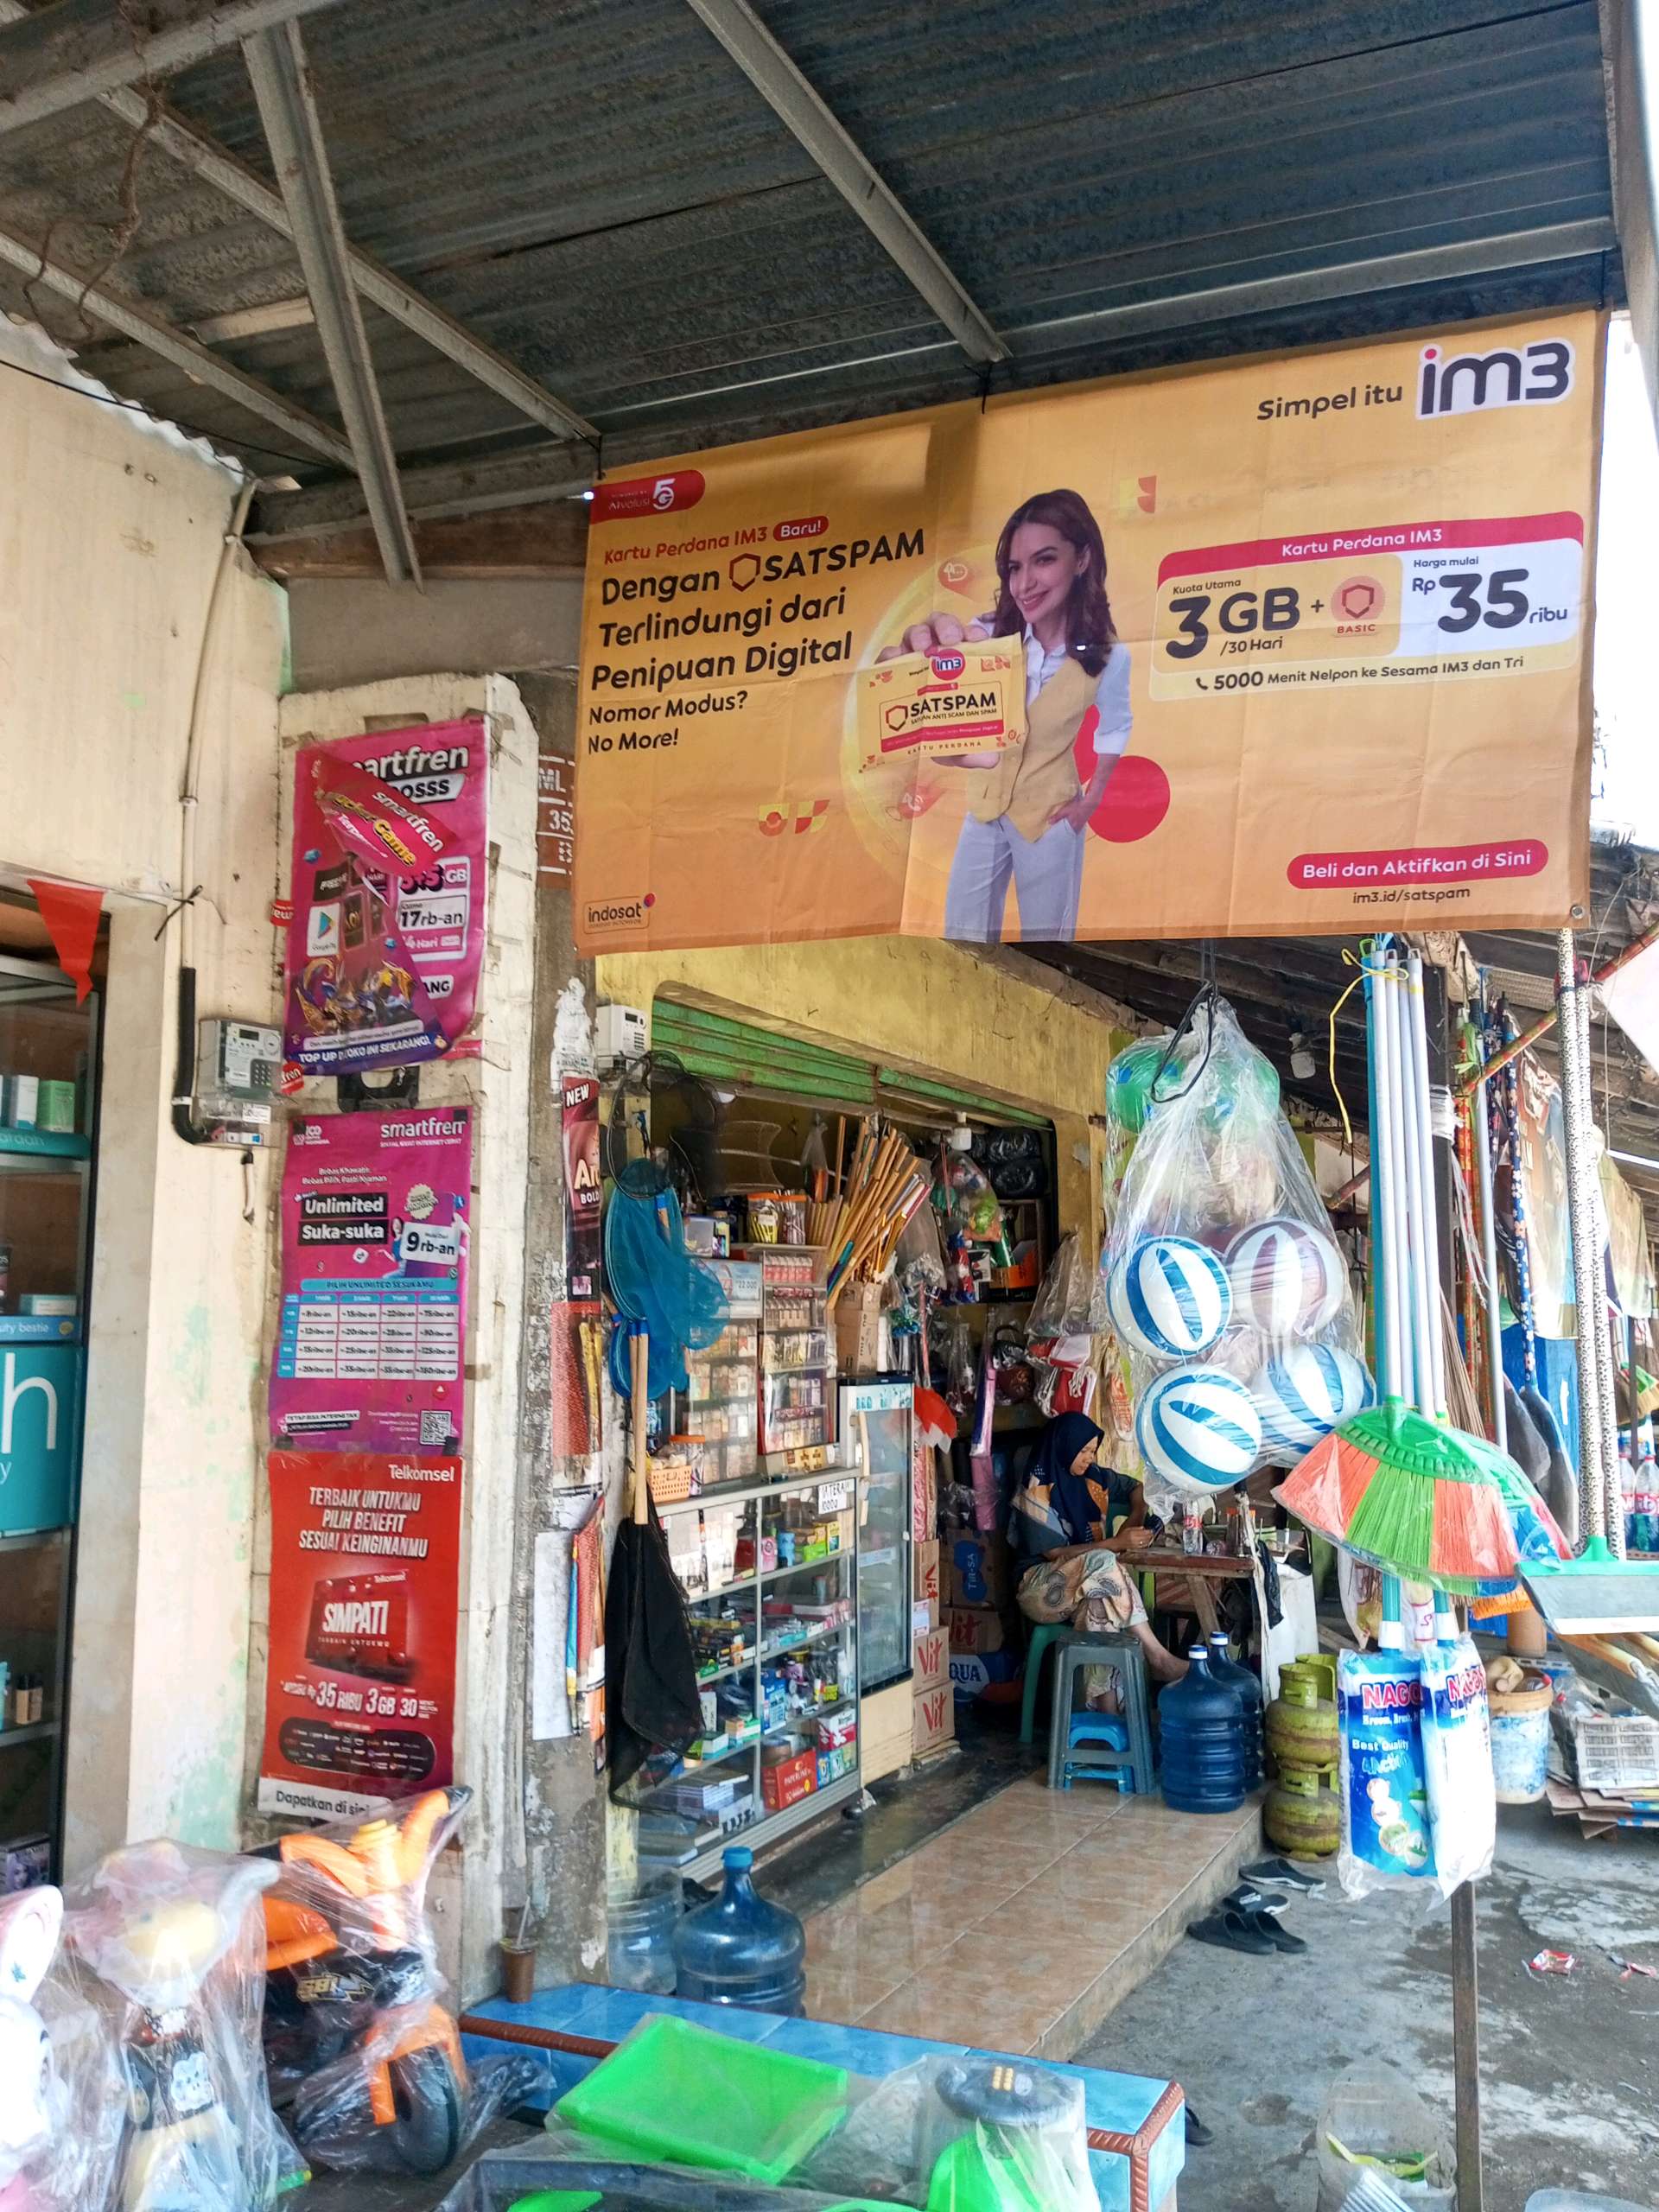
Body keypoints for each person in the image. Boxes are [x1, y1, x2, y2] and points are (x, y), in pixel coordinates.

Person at [876, 488, 1131, 943]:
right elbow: (944, 697)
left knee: (1046, 943)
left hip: (1050, 815)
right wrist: (910, 677)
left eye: (1044, 560)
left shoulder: (1110, 654)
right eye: (1015, 567)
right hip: (985, 808)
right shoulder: (987, 635)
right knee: (962, 937)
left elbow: (1115, 728)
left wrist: (1090, 802)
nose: (1025, 583)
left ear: (1082, 559)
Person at [1009, 1411, 1187, 1686]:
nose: (1089, 1458)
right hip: (1039, 1588)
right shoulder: (1036, 1489)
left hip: (1083, 1586)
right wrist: (1116, 1543)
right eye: (1083, 1451)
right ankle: (1158, 1658)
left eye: (1093, 1451)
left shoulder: (1095, 1479)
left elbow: (1137, 1488)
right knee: (1103, 1561)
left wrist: (1137, 1515)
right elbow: (1053, 1553)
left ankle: (1107, 1707)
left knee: (1098, 1606)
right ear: (1064, 1446)